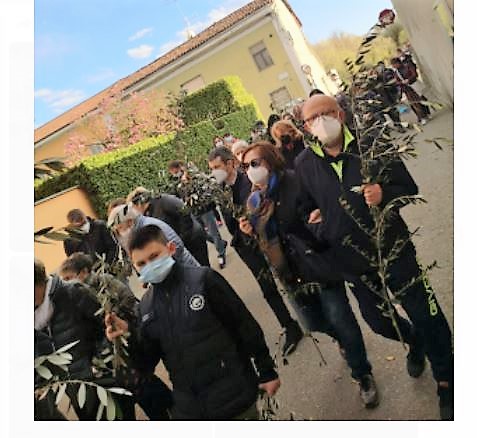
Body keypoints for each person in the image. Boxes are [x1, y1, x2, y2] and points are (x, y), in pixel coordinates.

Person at [297, 94, 454, 420]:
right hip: (353, 261)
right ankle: (414, 341)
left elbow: (408, 188)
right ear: (306, 127)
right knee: (379, 321)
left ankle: (446, 380)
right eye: (313, 118)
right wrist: (320, 226)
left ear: (340, 114)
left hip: (394, 250)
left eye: (326, 113)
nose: (321, 121)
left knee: (426, 315)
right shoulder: (304, 165)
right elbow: (306, 209)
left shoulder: (371, 144)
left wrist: (385, 194)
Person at [238, 141, 380, 408]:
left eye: (254, 163)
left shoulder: (294, 182)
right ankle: (343, 342)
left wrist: (317, 223)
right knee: (314, 324)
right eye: (245, 166)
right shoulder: (254, 200)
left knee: (341, 319)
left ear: (270, 160)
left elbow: (320, 213)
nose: (250, 170)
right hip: (290, 274)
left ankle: (362, 374)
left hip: (318, 263)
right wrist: (250, 233)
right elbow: (263, 244)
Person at [104, 225, 280, 420]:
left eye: (154, 257)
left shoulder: (204, 280)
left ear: (170, 248)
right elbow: (147, 361)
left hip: (233, 397)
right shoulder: (146, 306)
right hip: (191, 409)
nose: (149, 266)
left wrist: (267, 371)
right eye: (141, 263)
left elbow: (244, 325)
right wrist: (127, 337)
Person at [208, 147, 304, 356]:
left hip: (265, 240)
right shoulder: (222, 191)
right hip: (245, 246)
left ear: (230, 163)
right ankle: (289, 325)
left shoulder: (249, 182)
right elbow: (228, 221)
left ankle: (306, 313)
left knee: (286, 277)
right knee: (267, 288)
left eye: (217, 167)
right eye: (211, 169)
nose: (214, 172)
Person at [58, 252, 173, 420]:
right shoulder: (73, 297)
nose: (66, 283)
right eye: (64, 280)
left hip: (125, 340)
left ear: (84, 272)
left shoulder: (103, 282)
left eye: (68, 278)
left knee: (144, 385)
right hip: (110, 356)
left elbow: (128, 298)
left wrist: (114, 317)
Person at [34, 258, 135, 420]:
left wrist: (97, 364)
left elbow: (108, 326)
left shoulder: (73, 292)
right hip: (77, 391)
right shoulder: (32, 317)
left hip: (104, 381)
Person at [127, 187, 210, 267]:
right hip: (182, 242)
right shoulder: (147, 214)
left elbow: (184, 212)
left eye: (133, 208)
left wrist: (183, 237)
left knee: (202, 267)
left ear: (139, 203)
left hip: (193, 238)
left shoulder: (164, 201)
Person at [168, 160, 228, 268]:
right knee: (202, 234)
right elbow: (178, 194)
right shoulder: (177, 182)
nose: (174, 174)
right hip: (193, 211)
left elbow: (203, 186)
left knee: (213, 232)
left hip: (204, 208)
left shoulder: (193, 175)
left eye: (175, 171)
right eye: (173, 172)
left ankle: (221, 253)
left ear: (180, 168)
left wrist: (188, 180)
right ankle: (221, 243)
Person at [107, 202, 199, 268]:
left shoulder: (149, 228)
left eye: (120, 227)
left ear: (130, 222)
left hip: (186, 270)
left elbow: (177, 246)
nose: (121, 232)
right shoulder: (142, 227)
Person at [391, 57, 430, 124]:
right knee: (414, 103)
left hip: (414, 85)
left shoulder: (407, 65)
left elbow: (415, 74)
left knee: (422, 99)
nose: (393, 66)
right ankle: (421, 117)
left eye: (394, 64)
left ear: (398, 63)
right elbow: (397, 82)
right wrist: (401, 82)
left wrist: (409, 79)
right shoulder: (396, 72)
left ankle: (427, 113)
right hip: (407, 89)